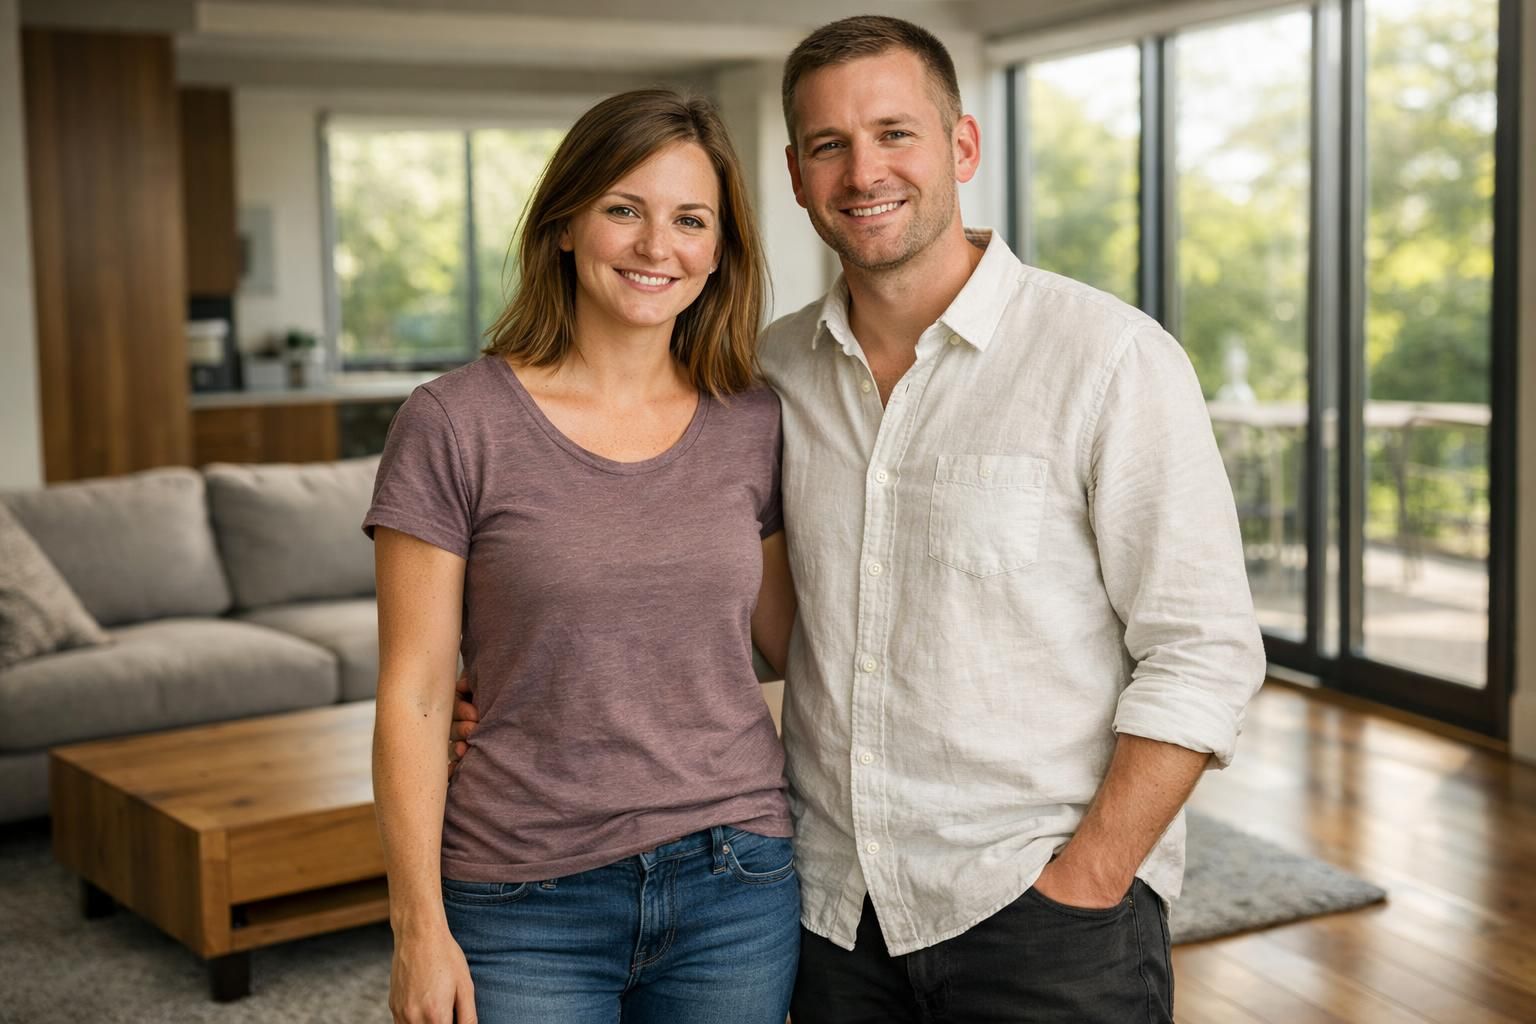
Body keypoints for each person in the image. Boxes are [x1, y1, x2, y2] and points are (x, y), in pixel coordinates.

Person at [455, 16, 1266, 1022]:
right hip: (832, 916)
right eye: (829, 146)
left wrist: (1090, 877)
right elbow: (740, 610)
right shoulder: (763, 379)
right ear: (795, 176)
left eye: (895, 133)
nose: (862, 171)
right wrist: (527, 690)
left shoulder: (1108, 359)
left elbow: (1204, 652)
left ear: (961, 146)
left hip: (1042, 913)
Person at [367, 89, 800, 1024]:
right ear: (565, 223)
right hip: (525, 893)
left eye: (691, 219)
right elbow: (413, 690)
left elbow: (802, 646)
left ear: (719, 249)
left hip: (738, 877)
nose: (658, 247)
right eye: (623, 209)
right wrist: (416, 927)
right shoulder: (453, 422)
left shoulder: (754, 420)